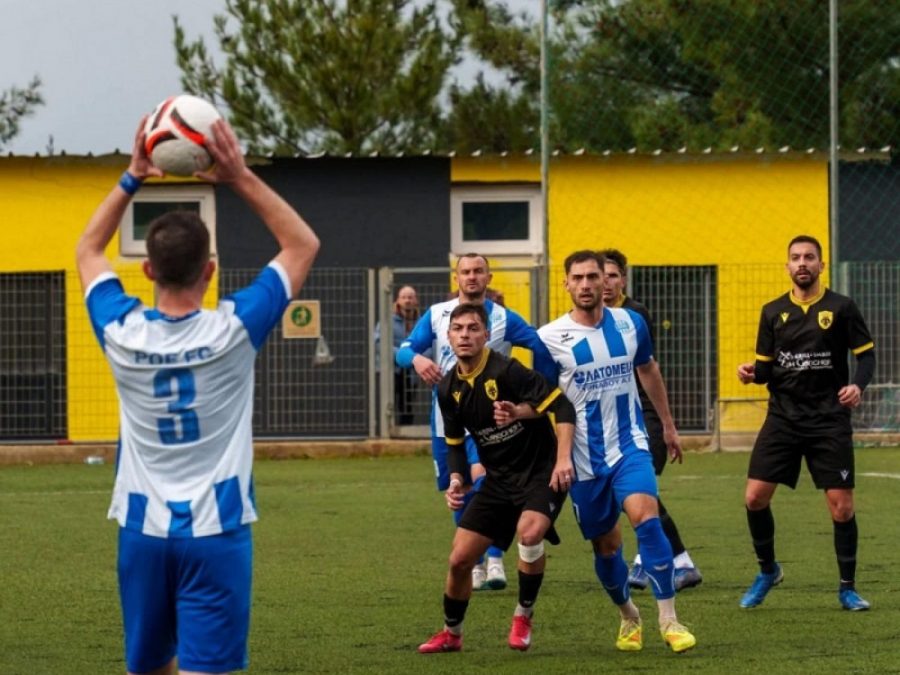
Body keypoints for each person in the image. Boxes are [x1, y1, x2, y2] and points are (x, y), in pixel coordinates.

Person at [76, 117, 320, 674]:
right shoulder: (233, 329)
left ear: (146, 270)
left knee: (151, 666)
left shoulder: (121, 331)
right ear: (210, 270)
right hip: (217, 530)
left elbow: (89, 250)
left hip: (142, 532)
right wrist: (237, 176)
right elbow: (302, 243)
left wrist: (134, 174)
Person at [538, 250, 696, 654]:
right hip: (584, 460)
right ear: (566, 284)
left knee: (647, 518)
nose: (589, 284)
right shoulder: (549, 338)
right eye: (580, 278)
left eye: (594, 276)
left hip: (630, 444)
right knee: (606, 547)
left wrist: (668, 424)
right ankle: (629, 615)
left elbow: (648, 370)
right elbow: (543, 399)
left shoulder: (631, 323)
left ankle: (669, 620)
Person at [418, 303, 576, 654]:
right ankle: (452, 633)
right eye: (458, 329)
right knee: (460, 559)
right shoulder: (447, 389)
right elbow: (456, 445)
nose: (465, 335)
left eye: (473, 328)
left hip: (539, 472)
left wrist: (562, 459)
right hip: (498, 481)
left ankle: (523, 615)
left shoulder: (508, 371)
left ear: (486, 335)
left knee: (530, 532)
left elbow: (562, 406)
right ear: (448, 336)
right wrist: (458, 479)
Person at [397, 254, 557, 591]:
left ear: (488, 276)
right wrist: (418, 358)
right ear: (456, 277)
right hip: (448, 419)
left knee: (487, 479)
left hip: (491, 425)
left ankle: (496, 558)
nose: (472, 277)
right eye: (465, 271)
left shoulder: (503, 318)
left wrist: (537, 392)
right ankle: (477, 565)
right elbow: (403, 350)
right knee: (459, 489)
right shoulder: (438, 314)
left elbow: (538, 345)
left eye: (478, 271)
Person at [736, 235, 875, 611]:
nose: (802, 263)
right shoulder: (772, 311)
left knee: (841, 508)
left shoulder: (842, 308)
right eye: (796, 257)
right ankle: (768, 570)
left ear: (821, 265)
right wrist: (750, 373)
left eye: (809, 257)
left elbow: (867, 357)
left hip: (829, 421)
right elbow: (764, 370)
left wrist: (857, 387)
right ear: (787, 266)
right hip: (782, 419)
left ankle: (847, 588)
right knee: (754, 498)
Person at [598, 249, 702, 592]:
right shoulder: (586, 322)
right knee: (639, 493)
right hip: (613, 419)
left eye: (613, 276)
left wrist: (667, 425)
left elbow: (647, 368)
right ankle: (677, 562)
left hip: (643, 415)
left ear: (623, 279)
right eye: (602, 276)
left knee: (639, 490)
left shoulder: (634, 314)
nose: (606, 283)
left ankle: (654, 563)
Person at [375, 285, 420, 425]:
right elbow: (379, 343)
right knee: (387, 403)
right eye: (404, 297)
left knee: (407, 405)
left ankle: (406, 432)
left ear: (416, 301)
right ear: (397, 301)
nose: (407, 300)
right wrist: (403, 355)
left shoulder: (421, 322)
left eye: (410, 297)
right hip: (391, 369)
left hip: (412, 371)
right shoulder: (387, 321)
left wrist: (415, 358)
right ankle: (385, 431)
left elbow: (430, 345)